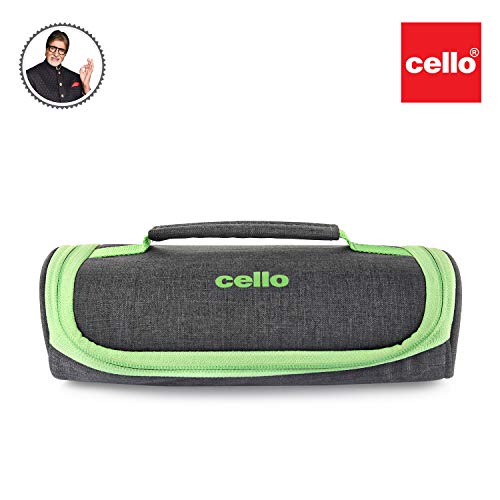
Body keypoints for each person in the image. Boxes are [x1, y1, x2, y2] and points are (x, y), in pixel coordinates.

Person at [26, 30, 94, 103]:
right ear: (46, 50)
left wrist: (86, 86)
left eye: (61, 50)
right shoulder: (30, 75)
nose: (56, 54)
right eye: (52, 48)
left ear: (65, 54)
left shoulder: (76, 77)